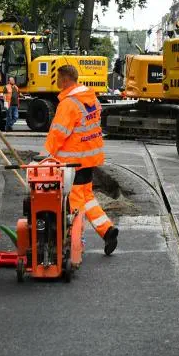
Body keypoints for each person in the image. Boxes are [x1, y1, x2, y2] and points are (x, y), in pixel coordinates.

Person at [43, 65, 118, 255]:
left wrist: (48, 155)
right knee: (87, 197)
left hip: (72, 162)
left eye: (58, 78)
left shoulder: (69, 103)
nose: (56, 82)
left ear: (65, 80)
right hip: (89, 158)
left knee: (75, 202)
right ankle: (107, 229)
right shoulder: (90, 98)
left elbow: (58, 133)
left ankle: (76, 240)